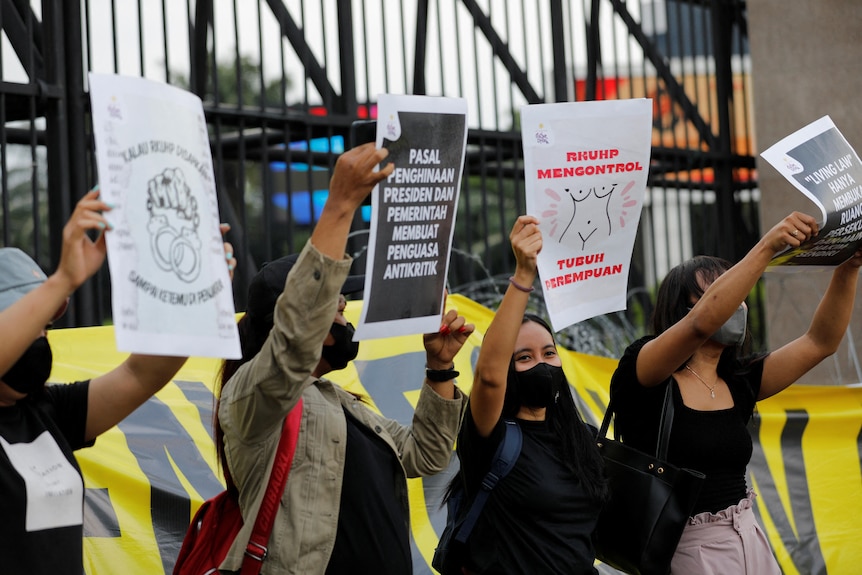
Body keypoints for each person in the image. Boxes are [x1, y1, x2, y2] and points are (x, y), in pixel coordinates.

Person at [214, 142, 473, 574]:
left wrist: (440, 367)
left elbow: (426, 456)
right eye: (334, 304)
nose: (344, 311)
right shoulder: (254, 398)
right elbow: (296, 343)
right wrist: (340, 205)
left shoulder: (342, 403)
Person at [610, 211, 862, 574]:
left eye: (740, 293)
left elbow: (820, 342)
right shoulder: (646, 369)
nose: (738, 303)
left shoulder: (738, 381)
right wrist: (767, 246)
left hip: (748, 537)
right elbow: (701, 324)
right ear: (682, 309)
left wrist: (848, 267)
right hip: (684, 550)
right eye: (722, 292)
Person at [0, 188, 236, 575]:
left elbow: (140, 374)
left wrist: (199, 303)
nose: (40, 337)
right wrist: (63, 280)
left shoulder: (46, 412)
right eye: (28, 322)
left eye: (45, 326)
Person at [449, 214, 608, 574]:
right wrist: (523, 275)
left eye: (549, 353)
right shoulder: (493, 439)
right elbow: (488, 377)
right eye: (524, 357)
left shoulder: (580, 438)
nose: (542, 363)